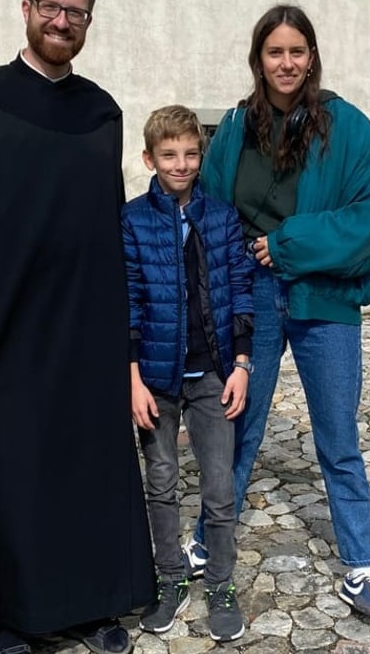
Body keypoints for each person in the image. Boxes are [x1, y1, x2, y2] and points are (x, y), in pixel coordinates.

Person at [0, 0, 156, 654]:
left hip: (85, 330)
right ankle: (11, 616)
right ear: (26, 10)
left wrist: (126, 348)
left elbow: (108, 227)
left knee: (85, 471)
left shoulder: (100, 112)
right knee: (9, 476)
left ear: (87, 22)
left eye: (74, 12)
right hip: (2, 331)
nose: (61, 21)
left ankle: (93, 603)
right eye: (49, 7)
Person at [190, 4, 370, 622]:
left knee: (337, 437)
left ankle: (360, 567)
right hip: (254, 297)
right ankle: (208, 537)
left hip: (325, 301)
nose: (286, 63)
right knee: (239, 425)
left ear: (312, 57)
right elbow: (210, 210)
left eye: (297, 51)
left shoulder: (349, 128)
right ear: (259, 60)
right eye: (274, 52)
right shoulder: (234, 129)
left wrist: (286, 244)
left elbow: (368, 223)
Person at [122, 105, 254, 642]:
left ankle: (220, 583)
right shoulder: (132, 220)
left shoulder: (221, 218)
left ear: (202, 156)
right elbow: (127, 302)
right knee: (161, 482)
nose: (181, 164)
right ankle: (171, 578)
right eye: (169, 155)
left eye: (191, 153)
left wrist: (242, 364)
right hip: (154, 377)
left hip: (214, 374)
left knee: (219, 487)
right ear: (150, 157)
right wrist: (131, 378)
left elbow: (241, 291)